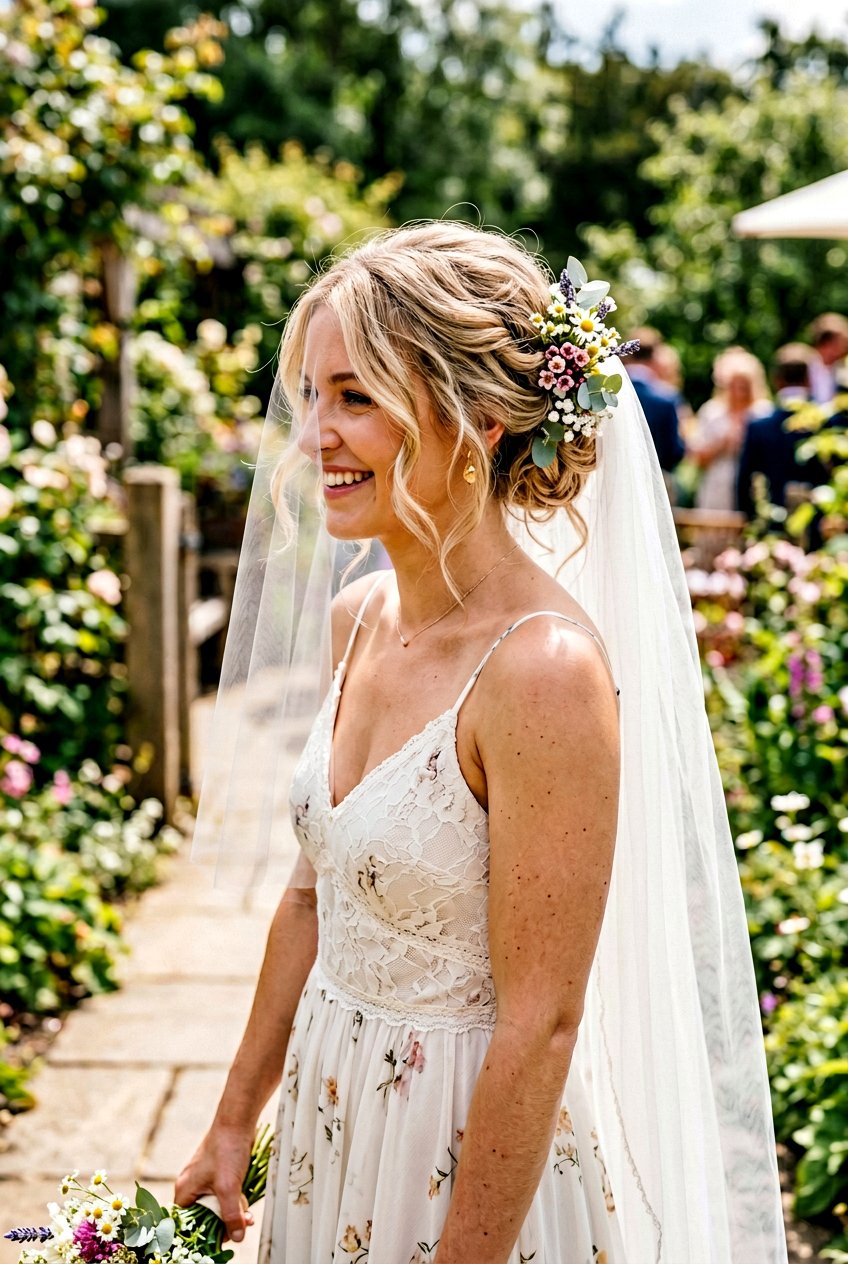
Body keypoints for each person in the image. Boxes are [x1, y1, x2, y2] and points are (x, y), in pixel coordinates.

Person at [179, 224, 787, 1263]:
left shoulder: (539, 672)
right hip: (333, 1127)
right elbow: (306, 895)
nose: (315, 431)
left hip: (456, 1160)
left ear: (484, 420)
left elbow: (541, 1023)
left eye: (356, 397)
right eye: (313, 392)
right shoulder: (359, 618)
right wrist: (235, 1118)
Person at [736, 343, 821, 518]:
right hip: (818, 529)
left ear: (777, 380)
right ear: (809, 380)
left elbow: (744, 482)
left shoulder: (759, 426)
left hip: (771, 526)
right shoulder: (827, 425)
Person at [688, 346, 772, 512]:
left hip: (754, 490)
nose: (739, 392)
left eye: (744, 385)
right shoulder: (712, 412)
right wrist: (722, 444)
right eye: (733, 385)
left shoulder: (764, 413)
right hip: (716, 490)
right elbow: (696, 457)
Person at [623, 327, 684, 478]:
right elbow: (674, 451)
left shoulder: (603, 393)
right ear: (654, 355)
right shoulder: (667, 398)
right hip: (655, 479)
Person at [807, 312, 848, 404]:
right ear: (827, 343)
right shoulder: (805, 365)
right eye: (843, 341)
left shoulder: (843, 367)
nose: (846, 346)